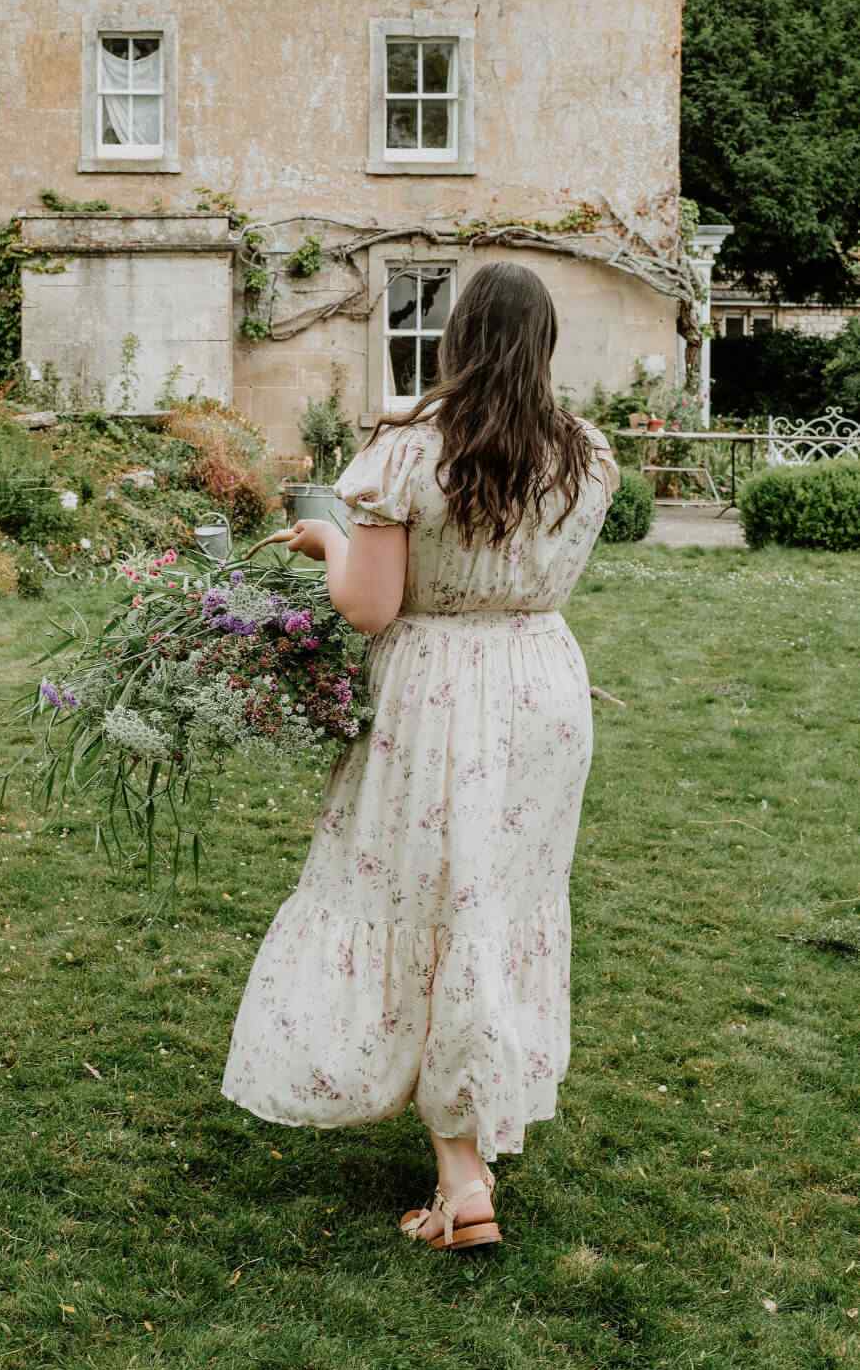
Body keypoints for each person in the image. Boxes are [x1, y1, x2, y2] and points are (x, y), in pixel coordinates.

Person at [220, 261, 621, 1253]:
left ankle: (462, 1178)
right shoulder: (586, 456)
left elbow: (371, 605)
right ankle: (471, 1134)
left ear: (458, 340)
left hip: (438, 693)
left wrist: (327, 541)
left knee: (423, 902)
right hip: (540, 688)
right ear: (545, 344)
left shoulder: (411, 453)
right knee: (496, 905)